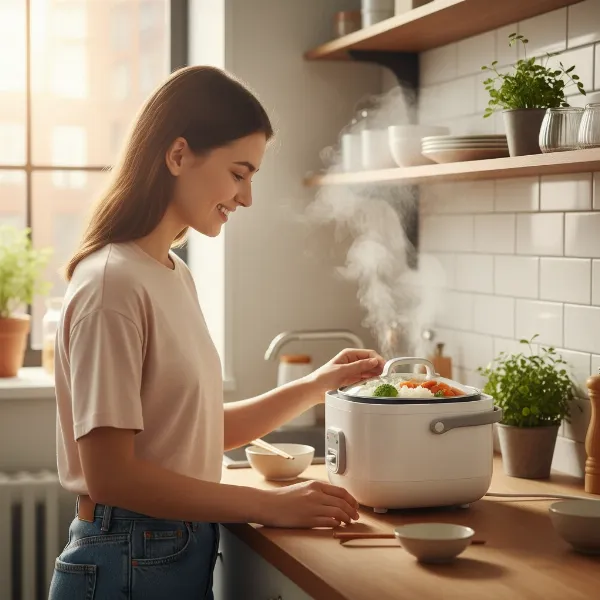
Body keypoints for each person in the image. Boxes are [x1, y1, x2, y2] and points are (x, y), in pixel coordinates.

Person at [48, 66, 384, 600]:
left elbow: (194, 432)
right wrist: (268, 504)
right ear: (178, 155)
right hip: (126, 560)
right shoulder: (112, 284)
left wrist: (315, 384)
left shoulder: (172, 274)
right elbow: (113, 476)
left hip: (167, 550)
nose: (246, 197)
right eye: (239, 173)